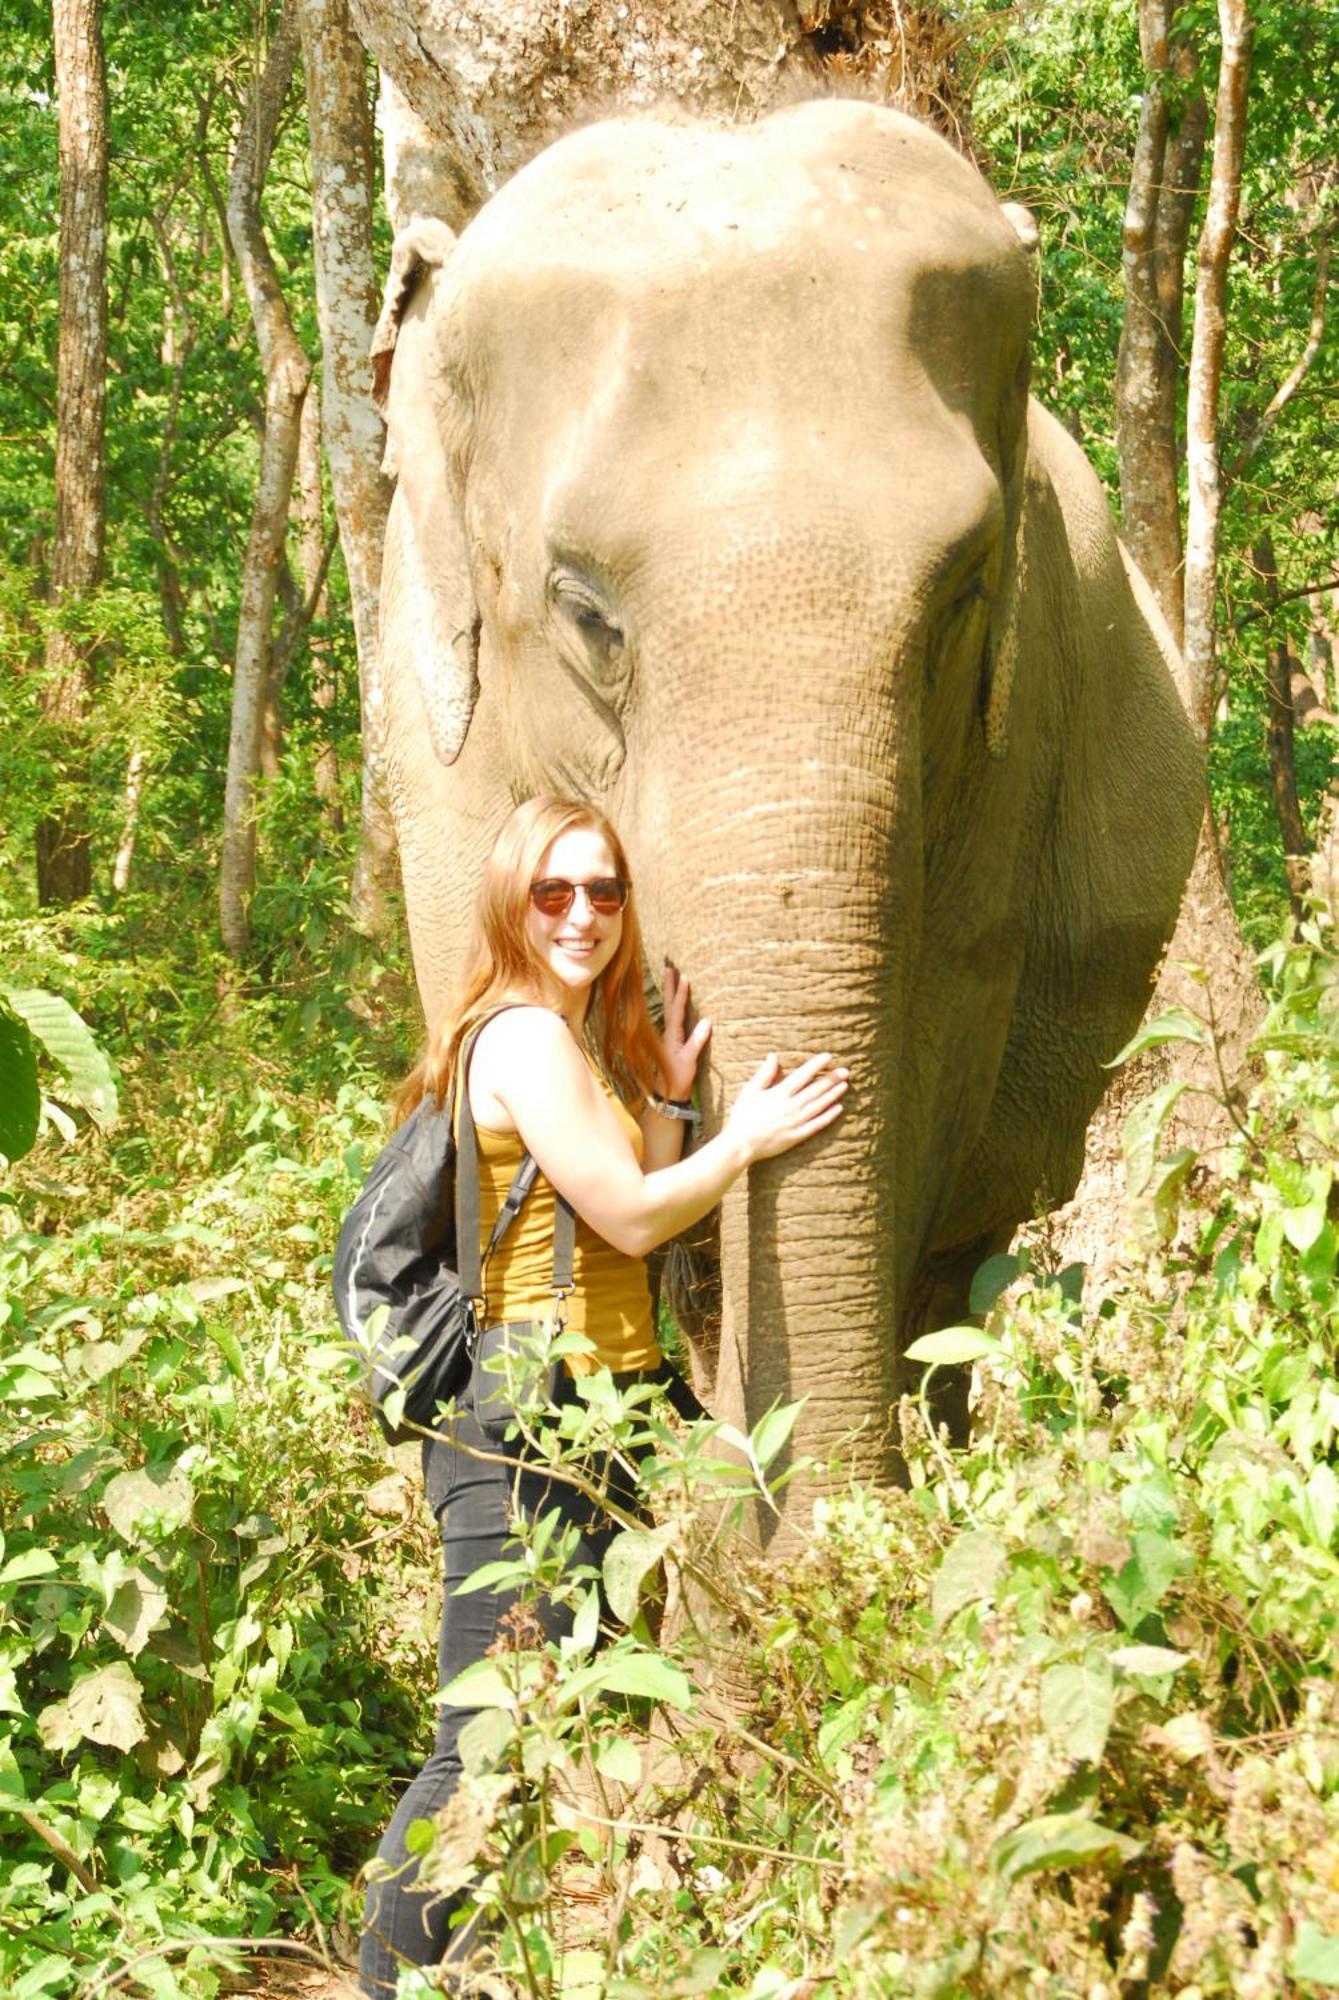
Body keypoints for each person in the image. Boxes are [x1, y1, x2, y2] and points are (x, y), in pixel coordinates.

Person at [358, 794, 847, 1996]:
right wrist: (744, 1139)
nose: (584, 914)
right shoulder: (522, 1037)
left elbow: (606, 1192)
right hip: (524, 1434)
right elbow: (630, 1212)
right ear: (512, 901)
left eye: (606, 891)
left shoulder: (565, 1043)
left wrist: (671, 1100)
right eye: (555, 891)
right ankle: (380, 1981)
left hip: (593, 1418)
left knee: (528, 1738)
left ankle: (457, 1974)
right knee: (477, 1745)